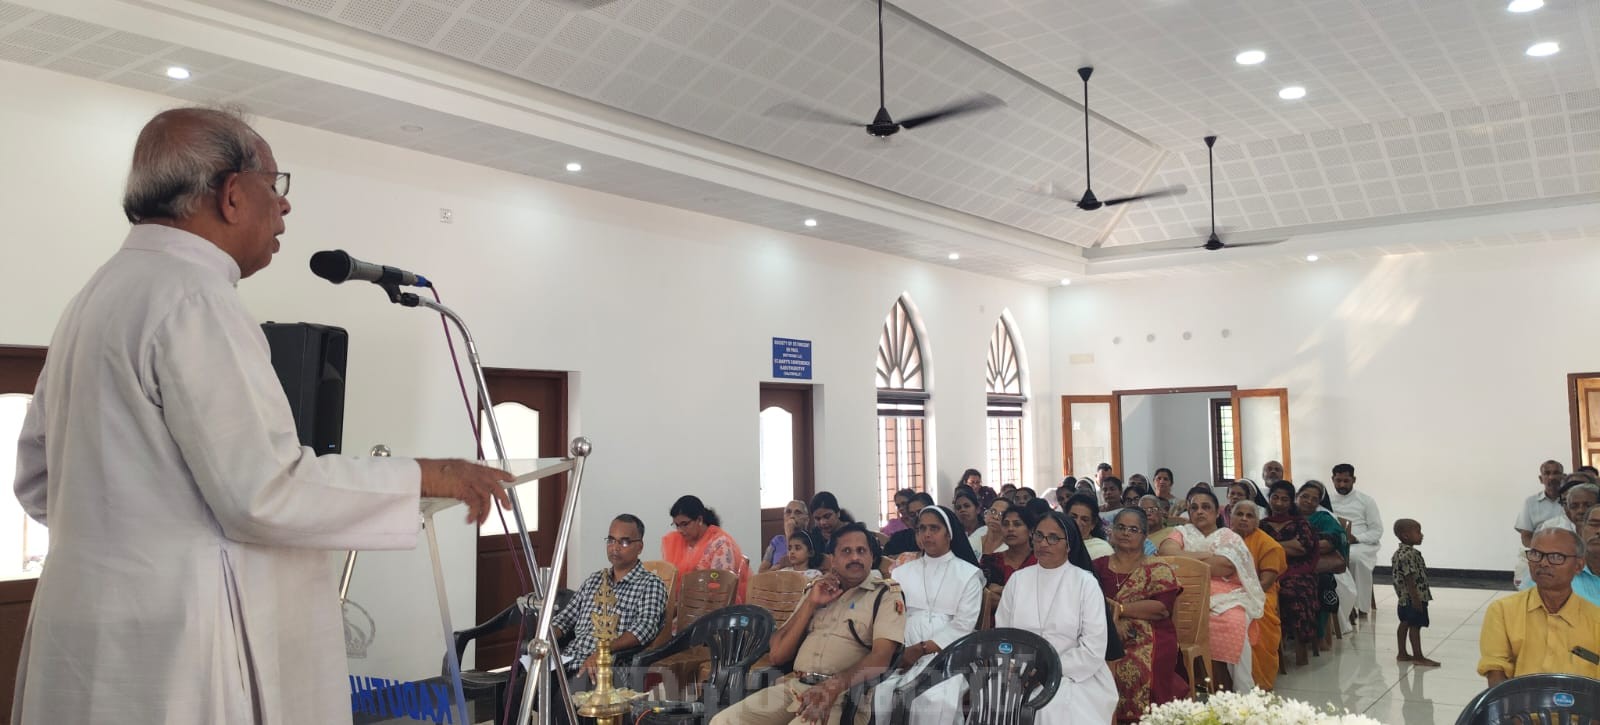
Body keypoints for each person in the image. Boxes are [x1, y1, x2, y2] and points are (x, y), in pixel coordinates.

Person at [8, 107, 515, 724]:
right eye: (275, 185)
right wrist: (431, 474)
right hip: (179, 645)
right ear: (231, 194)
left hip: (83, 636)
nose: (284, 206)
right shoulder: (194, 298)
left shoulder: (94, 297)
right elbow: (263, 491)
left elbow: (37, 481)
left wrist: (129, 537)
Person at [709, 523, 905, 725]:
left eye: (861, 551)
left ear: (872, 557)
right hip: (794, 687)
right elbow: (778, 654)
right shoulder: (817, 589)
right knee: (722, 721)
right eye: (846, 551)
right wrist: (811, 603)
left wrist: (832, 686)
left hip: (842, 696)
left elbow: (881, 658)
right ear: (833, 559)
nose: (855, 557)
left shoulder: (885, 595)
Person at [997, 510, 1118, 724]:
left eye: (1053, 538)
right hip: (1018, 671)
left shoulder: (1085, 584)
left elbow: (1093, 648)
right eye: (1039, 536)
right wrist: (1015, 668)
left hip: (1074, 674)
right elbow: (1002, 635)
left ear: (1069, 545)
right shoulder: (1017, 580)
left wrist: (1044, 671)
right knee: (990, 701)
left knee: (1049, 707)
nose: (1044, 543)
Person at [871, 506, 983, 723]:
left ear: (949, 534)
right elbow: (890, 616)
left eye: (934, 528)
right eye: (922, 529)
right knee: (880, 691)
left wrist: (921, 649)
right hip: (903, 649)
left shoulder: (969, 574)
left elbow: (963, 625)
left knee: (933, 698)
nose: (927, 534)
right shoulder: (900, 573)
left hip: (949, 653)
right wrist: (899, 651)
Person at [1158, 486, 1264, 692]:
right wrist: (1208, 557)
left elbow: (1223, 566)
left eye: (1206, 507)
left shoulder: (1229, 536)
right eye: (1194, 508)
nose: (1199, 511)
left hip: (1227, 597)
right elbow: (1167, 554)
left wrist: (1185, 558)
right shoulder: (1181, 532)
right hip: (1186, 596)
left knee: (1234, 623)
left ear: (1217, 513)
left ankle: (1240, 691)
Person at [551, 514, 669, 690]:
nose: (615, 548)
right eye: (611, 540)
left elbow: (644, 629)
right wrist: (545, 638)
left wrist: (603, 651)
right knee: (519, 688)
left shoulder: (650, 584)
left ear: (639, 547)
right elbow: (565, 619)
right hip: (568, 660)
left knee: (563, 700)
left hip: (606, 667)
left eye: (624, 542)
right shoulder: (595, 580)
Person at [1094, 508, 1184, 722]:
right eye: (1121, 527)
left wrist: (1120, 610)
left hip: (1151, 634)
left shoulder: (1157, 567)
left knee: (1132, 666)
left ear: (1145, 535)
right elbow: (1087, 601)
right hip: (1101, 630)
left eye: (1133, 529)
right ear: (1111, 531)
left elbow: (1161, 608)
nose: (1126, 533)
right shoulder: (1098, 565)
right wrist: (1112, 621)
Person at [1478, 528, 1600, 685]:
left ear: (1578, 566)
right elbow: (1495, 672)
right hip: (1518, 699)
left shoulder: (1595, 619)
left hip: (1582, 700)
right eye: (1536, 554)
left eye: (1556, 557)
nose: (1543, 563)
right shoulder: (1502, 611)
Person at [1262, 481, 1319, 666]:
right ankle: (1267, 648)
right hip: (1268, 571)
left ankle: (1301, 650)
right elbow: (1256, 549)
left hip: (1298, 572)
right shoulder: (1262, 525)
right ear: (1269, 499)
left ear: (1291, 501)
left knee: (1292, 593)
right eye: (1275, 497)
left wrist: (1270, 546)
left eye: (1284, 499)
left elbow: (1300, 548)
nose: (1279, 503)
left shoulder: (1301, 523)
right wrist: (1285, 546)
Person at [1232, 501, 1285, 690]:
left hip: (1259, 594)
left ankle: (1257, 681)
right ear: (1231, 518)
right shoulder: (1223, 539)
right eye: (1239, 514)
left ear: (1257, 521)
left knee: (1252, 618)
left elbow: (1265, 583)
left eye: (1249, 516)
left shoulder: (1268, 545)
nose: (1244, 519)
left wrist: (1238, 595)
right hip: (1225, 592)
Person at [663, 495, 749, 603]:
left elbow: (721, 586)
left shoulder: (720, 543)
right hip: (683, 604)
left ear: (699, 519)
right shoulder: (675, 542)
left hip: (714, 605)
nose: (680, 530)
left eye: (685, 524)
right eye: (677, 525)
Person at [1298, 480, 1349, 649]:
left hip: (1317, 566)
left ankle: (1319, 634)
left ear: (1319, 502)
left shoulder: (1323, 518)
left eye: (1314, 499)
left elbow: (1335, 539)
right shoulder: (1287, 515)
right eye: (1305, 496)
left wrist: (1301, 548)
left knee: (1322, 582)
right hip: (1288, 564)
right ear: (1297, 496)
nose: (1308, 501)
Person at [1329, 463, 1382, 624]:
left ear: (1354, 480)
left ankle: (1361, 606)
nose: (1342, 485)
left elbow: (1377, 530)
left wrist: (1356, 538)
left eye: (1346, 481)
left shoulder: (1366, 501)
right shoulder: (1328, 501)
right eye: (1338, 481)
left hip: (1361, 543)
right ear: (1332, 479)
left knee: (1355, 559)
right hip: (1334, 542)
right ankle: (1339, 605)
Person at [1390, 518, 1439, 667]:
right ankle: (1418, 656)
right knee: (1415, 625)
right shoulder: (1409, 555)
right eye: (1418, 532)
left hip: (1403, 599)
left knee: (1404, 623)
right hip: (1414, 597)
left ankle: (1402, 653)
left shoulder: (1398, 553)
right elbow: (1409, 578)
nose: (1421, 535)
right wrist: (1416, 599)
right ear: (1405, 536)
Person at [1514, 460, 1567, 587]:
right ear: (1540, 479)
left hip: (1567, 552)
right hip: (1539, 552)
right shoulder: (1530, 502)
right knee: (1525, 585)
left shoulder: (1572, 501)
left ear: (1563, 477)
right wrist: (1544, 554)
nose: (1551, 477)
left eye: (1556, 473)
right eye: (1547, 473)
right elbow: (1526, 537)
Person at [980, 507, 1036, 591]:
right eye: (1005, 524)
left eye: (1017, 524)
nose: (1010, 529)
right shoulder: (990, 561)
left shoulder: (1040, 562)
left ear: (1031, 531)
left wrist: (1002, 590)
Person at [761, 500, 810, 572]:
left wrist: (789, 535)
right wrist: (777, 568)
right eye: (788, 512)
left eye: (798, 512)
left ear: (807, 520)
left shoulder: (811, 540)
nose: (792, 516)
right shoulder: (776, 541)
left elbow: (794, 564)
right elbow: (761, 572)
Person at [884, 492, 935, 558]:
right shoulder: (899, 538)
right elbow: (886, 559)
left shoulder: (941, 534)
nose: (917, 517)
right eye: (912, 514)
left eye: (920, 512)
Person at [1065, 493, 1114, 559]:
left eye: (1084, 520)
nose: (1077, 523)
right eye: (1073, 517)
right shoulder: (1057, 544)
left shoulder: (1102, 550)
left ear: (1093, 524)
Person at [950, 486, 986, 555]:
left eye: (967, 506)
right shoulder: (953, 535)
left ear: (977, 509)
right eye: (958, 508)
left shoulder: (987, 532)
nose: (962, 510)